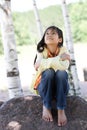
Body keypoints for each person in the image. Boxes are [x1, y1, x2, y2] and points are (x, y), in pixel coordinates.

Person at [32, 26, 70, 127]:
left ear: (60, 39)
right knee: (48, 73)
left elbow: (64, 66)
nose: (49, 35)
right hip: (44, 86)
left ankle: (61, 109)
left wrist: (44, 62)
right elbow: (38, 66)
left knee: (61, 73)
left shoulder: (64, 50)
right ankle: (46, 106)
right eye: (47, 33)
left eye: (53, 33)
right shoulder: (41, 50)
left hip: (60, 87)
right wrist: (59, 59)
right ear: (44, 38)